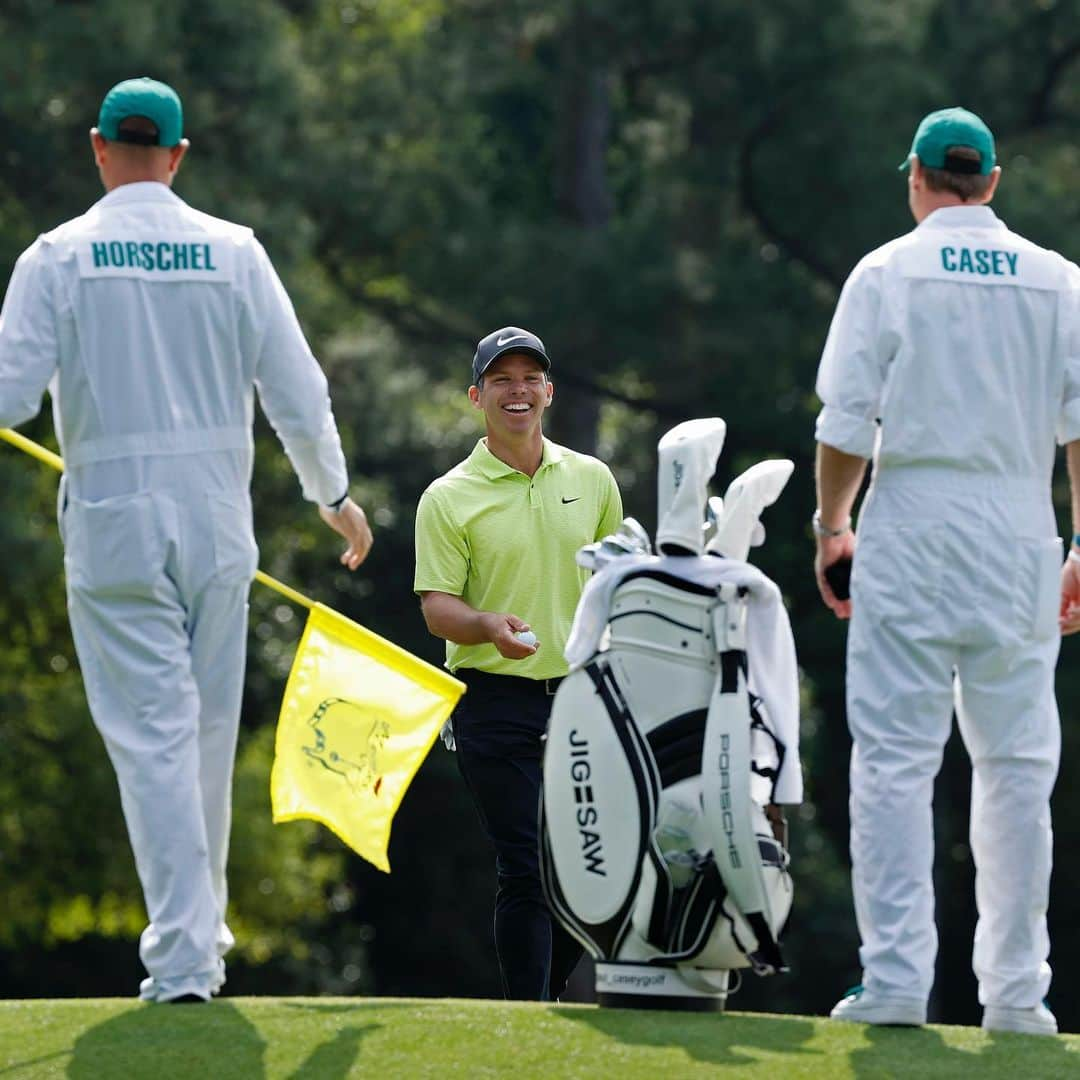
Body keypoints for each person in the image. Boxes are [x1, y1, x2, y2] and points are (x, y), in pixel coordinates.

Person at [0, 77, 373, 1002]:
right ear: (176, 155)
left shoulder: (56, 256)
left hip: (116, 518)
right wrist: (332, 493)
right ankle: (198, 944)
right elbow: (299, 389)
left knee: (155, 739)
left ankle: (181, 961)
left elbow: (6, 398)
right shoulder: (236, 252)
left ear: (97, 147)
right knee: (200, 733)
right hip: (217, 519)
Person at [812, 106, 1080, 1036]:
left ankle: (893, 982)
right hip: (1018, 533)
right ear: (993, 182)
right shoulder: (1060, 282)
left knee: (893, 762)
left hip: (914, 527)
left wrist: (830, 527)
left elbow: (845, 427)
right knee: (1016, 771)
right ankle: (1017, 997)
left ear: (918, 181)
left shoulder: (887, 271)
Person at [413, 326, 623, 1000]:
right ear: (477, 396)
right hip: (491, 702)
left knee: (582, 869)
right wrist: (486, 626)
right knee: (525, 866)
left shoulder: (592, 481)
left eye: (530, 378)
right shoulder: (448, 497)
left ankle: (548, 998)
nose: (518, 391)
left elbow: (617, 581)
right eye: (502, 380)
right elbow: (437, 607)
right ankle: (528, 1016)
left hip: (580, 697)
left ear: (549, 391)